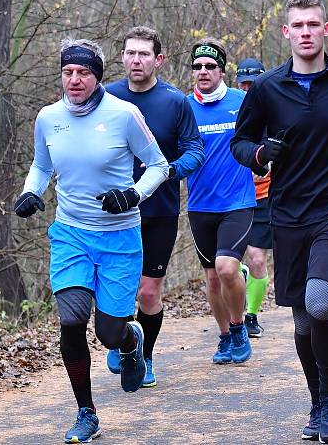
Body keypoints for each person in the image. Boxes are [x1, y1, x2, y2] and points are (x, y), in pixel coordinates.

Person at [231, 0, 328, 442]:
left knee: (321, 303)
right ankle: (318, 400)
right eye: (297, 25)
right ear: (286, 33)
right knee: (302, 321)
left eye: (313, 25)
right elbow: (240, 142)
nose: (305, 32)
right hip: (290, 212)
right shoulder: (266, 88)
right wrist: (260, 153)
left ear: (326, 30)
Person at [13, 38, 169, 443]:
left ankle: (131, 338)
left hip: (119, 237)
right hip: (70, 234)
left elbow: (159, 165)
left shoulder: (124, 114)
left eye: (83, 72)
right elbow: (41, 165)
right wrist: (33, 191)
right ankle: (86, 412)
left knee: (109, 334)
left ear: (97, 75)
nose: (74, 79)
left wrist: (133, 194)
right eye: (68, 72)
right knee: (70, 321)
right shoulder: (48, 117)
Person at [103, 26, 205, 388]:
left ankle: (143, 357)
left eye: (144, 54)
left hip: (158, 209)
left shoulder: (175, 101)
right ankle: (119, 337)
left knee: (148, 292)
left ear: (158, 60)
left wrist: (169, 172)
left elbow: (195, 149)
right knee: (115, 287)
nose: (136, 60)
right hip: (112, 212)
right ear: (122, 57)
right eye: (130, 53)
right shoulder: (106, 97)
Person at [187, 38, 255, 364]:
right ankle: (225, 335)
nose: (203, 71)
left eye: (210, 66)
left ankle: (239, 326)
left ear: (222, 71)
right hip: (200, 205)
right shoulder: (184, 107)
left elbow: (264, 136)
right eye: (198, 66)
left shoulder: (243, 101)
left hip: (238, 201)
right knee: (213, 278)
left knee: (227, 268)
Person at [236, 58, 271, 337]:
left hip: (264, 197)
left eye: (253, 83)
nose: (248, 89)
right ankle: (241, 281)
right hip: (231, 198)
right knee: (229, 265)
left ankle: (251, 315)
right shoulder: (231, 110)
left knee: (258, 259)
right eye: (243, 83)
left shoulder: (277, 110)